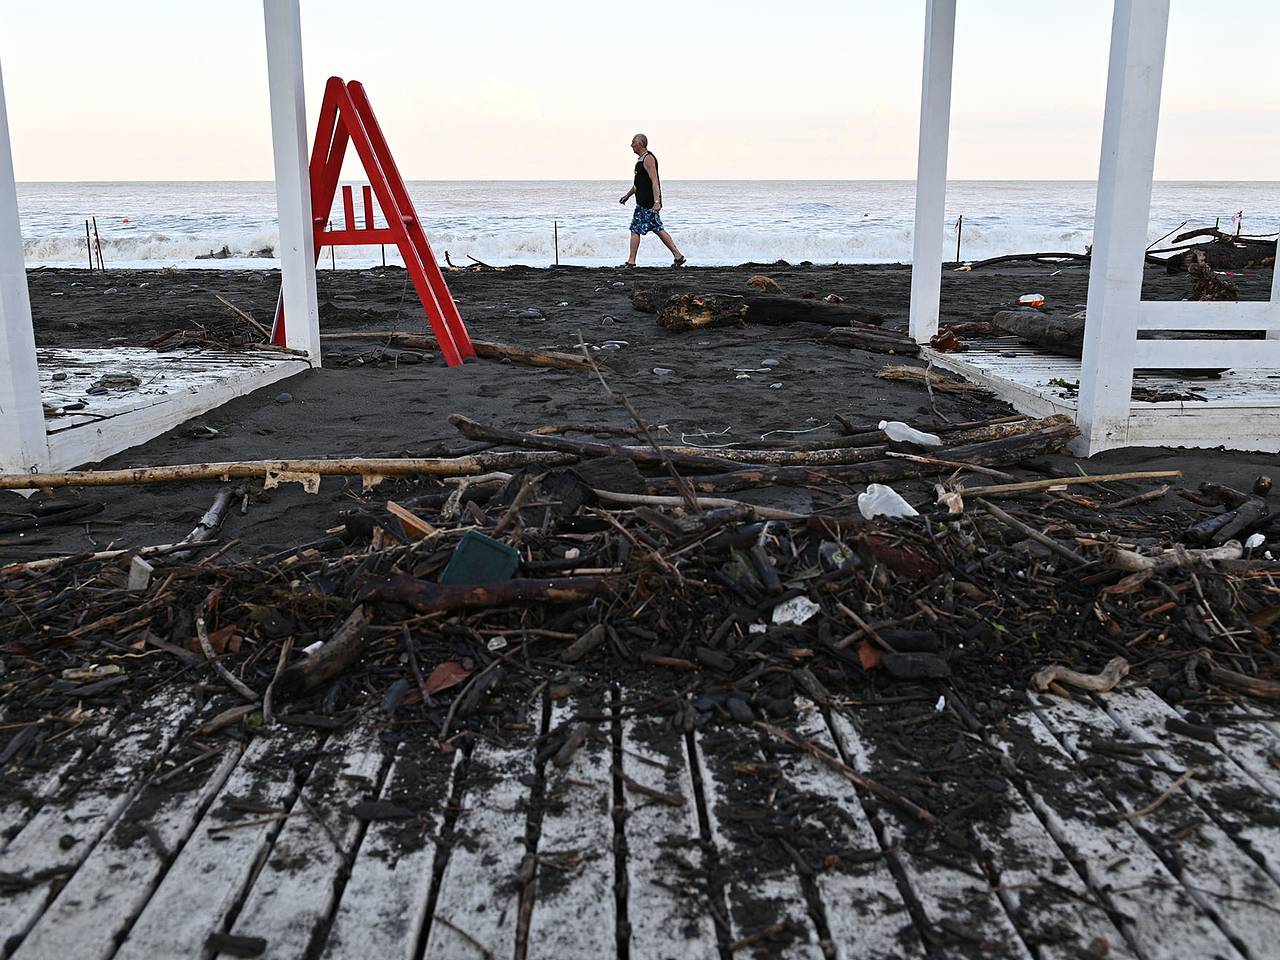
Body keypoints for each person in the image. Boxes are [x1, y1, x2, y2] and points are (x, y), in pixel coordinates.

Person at [618, 134, 685, 267]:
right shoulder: (640, 161)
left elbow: (655, 181)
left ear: (640, 144)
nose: (631, 145)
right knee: (656, 228)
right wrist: (627, 196)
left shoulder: (648, 158)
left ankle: (631, 262)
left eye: (633, 142)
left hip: (648, 203)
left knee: (637, 229)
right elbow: (637, 185)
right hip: (642, 202)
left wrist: (656, 202)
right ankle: (678, 256)